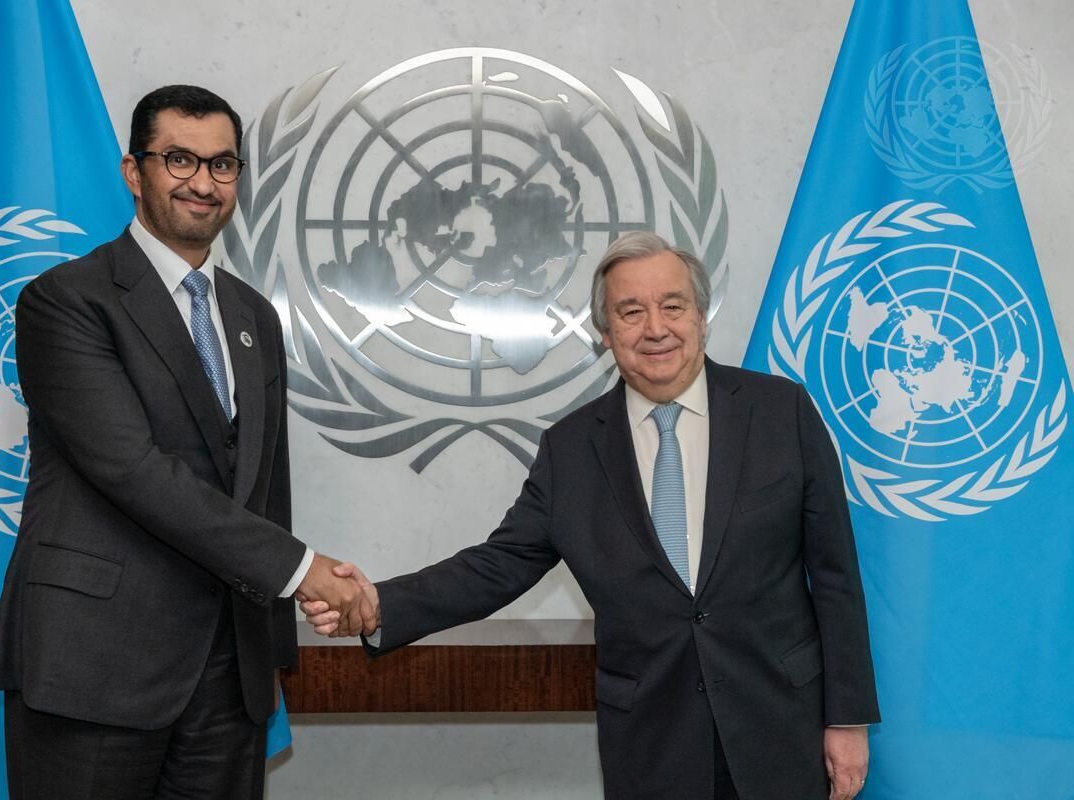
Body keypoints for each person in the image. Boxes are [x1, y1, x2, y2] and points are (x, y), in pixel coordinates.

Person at [303, 232, 880, 800]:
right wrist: (381, 605)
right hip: (652, 743)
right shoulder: (572, 450)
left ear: (702, 317)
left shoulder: (782, 414)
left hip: (780, 727)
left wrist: (847, 718)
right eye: (631, 312)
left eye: (672, 306)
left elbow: (835, 577)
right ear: (606, 335)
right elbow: (498, 565)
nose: (656, 328)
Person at [0, 85, 371, 799]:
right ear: (135, 172)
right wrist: (301, 569)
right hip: (95, 666)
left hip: (229, 675)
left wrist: (272, 655)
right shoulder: (66, 300)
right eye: (179, 159)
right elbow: (132, 469)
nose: (202, 182)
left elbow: (263, 487)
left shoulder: (253, 316)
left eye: (222, 165)